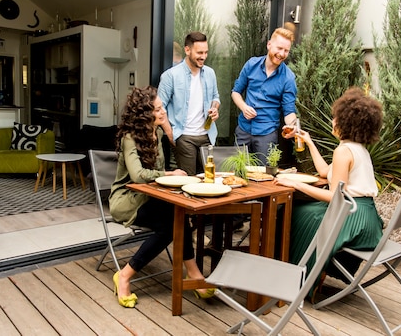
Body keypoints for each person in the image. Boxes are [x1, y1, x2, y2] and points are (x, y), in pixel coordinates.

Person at [108, 86, 214, 308]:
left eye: (162, 107)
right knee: (170, 225)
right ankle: (125, 275)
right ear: (145, 114)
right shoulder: (129, 138)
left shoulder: (155, 134)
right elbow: (138, 176)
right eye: (157, 109)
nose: (163, 112)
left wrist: (166, 128)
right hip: (128, 200)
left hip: (150, 197)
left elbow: (162, 170)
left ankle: (193, 274)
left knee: (179, 212)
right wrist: (168, 174)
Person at [275, 87, 384, 301]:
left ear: (345, 122)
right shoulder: (356, 148)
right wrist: (309, 142)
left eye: (336, 117)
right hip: (366, 217)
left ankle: (301, 278)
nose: (333, 120)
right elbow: (326, 172)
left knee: (296, 213)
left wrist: (295, 185)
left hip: (352, 216)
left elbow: (336, 197)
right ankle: (304, 272)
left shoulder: (343, 151)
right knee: (304, 211)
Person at [231, 27, 298, 164]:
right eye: (279, 48)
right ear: (269, 45)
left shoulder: (288, 78)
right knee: (237, 173)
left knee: (265, 177)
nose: (281, 54)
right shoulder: (251, 64)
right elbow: (236, 92)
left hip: (267, 135)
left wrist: (292, 126)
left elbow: (289, 111)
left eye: (286, 50)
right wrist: (243, 107)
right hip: (243, 129)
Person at [158, 32, 220, 175]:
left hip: (207, 135)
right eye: (199, 52)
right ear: (187, 50)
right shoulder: (170, 76)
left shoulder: (210, 73)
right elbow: (159, 108)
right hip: (184, 136)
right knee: (189, 180)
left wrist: (215, 108)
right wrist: (171, 135)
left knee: (208, 178)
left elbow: (216, 98)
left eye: (206, 52)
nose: (203, 56)